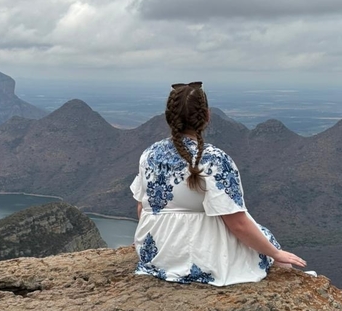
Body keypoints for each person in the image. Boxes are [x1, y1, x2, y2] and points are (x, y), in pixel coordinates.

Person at [130, 81, 307, 285]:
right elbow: (238, 224)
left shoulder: (149, 154)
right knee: (276, 260)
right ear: (206, 116)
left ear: (169, 117)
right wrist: (276, 253)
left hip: (153, 253)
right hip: (199, 255)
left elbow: (142, 207)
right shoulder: (214, 159)